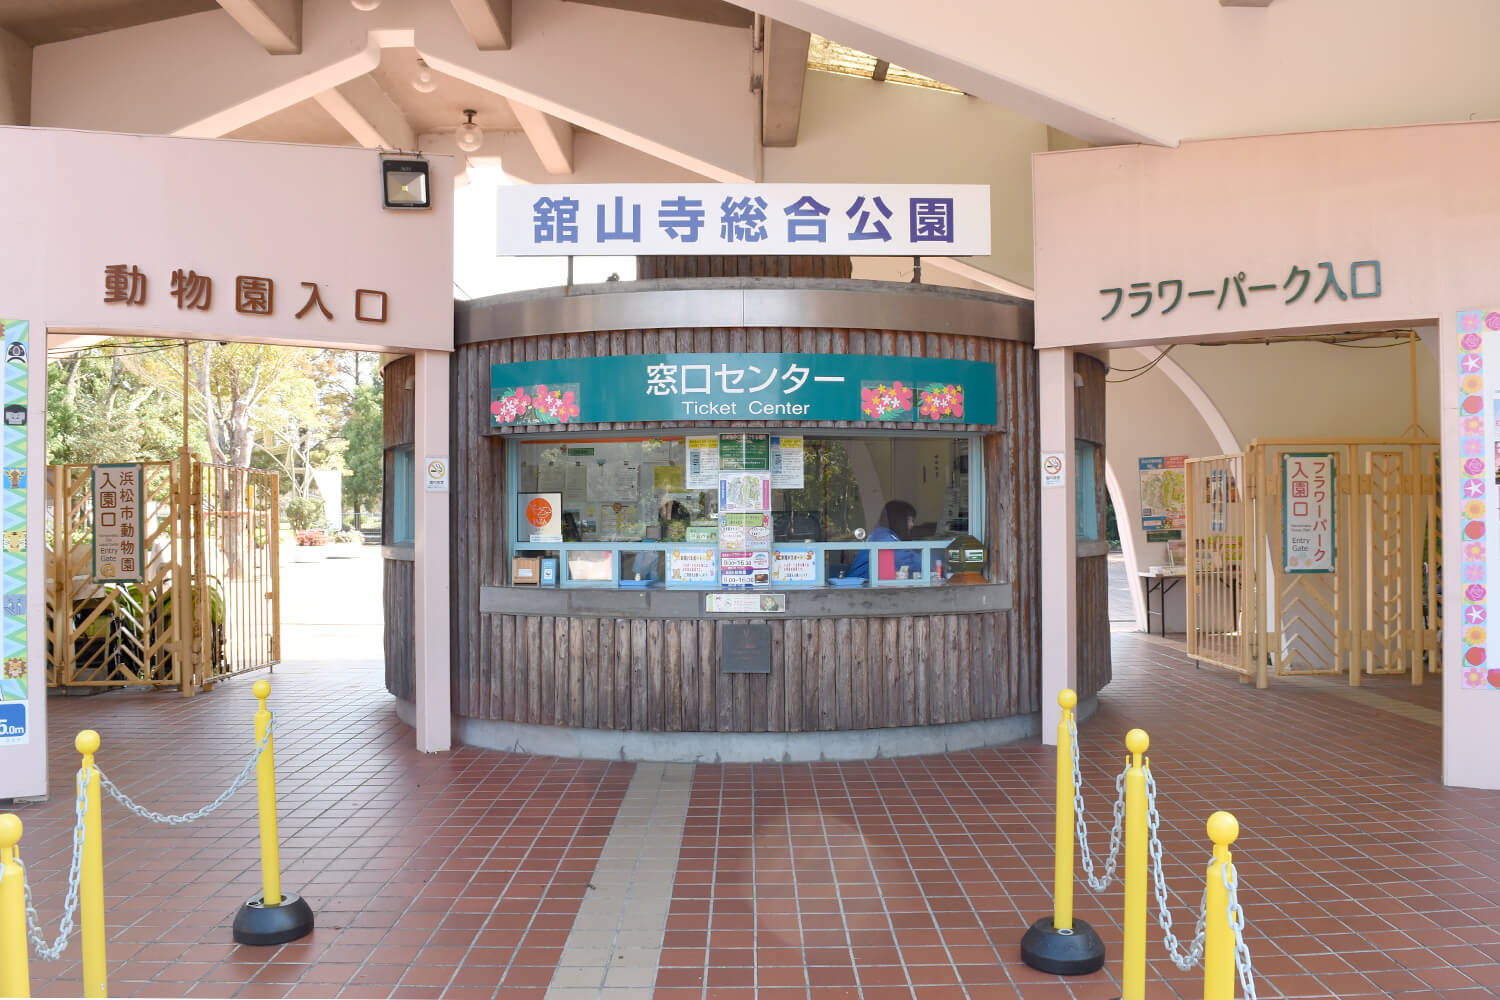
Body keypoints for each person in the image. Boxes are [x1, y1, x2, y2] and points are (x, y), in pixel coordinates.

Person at [847, 500, 921, 580]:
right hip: (861, 589)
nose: (912, 524)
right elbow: (907, 563)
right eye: (911, 520)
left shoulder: (881, 534)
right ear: (900, 519)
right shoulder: (885, 538)